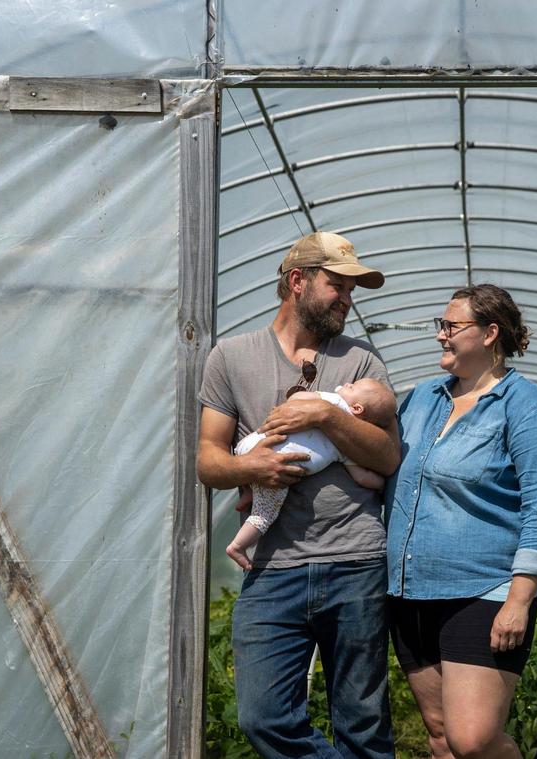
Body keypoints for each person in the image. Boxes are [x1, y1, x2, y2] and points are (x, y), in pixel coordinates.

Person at [197, 231, 399, 759]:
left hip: (355, 562)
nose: (349, 299)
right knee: (263, 718)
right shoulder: (231, 357)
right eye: (339, 285)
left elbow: (387, 458)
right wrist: (252, 465)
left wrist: (326, 414)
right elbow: (209, 461)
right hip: (272, 569)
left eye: (353, 289)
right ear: (298, 281)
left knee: (363, 724)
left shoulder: (362, 363)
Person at [385, 284, 537, 759]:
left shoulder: (528, 409)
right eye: (440, 326)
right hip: (409, 591)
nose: (440, 336)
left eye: (451, 326)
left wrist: (519, 600)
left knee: (472, 739)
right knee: (441, 735)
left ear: (490, 334)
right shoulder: (422, 399)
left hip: (482, 591)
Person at [226, 378, 397, 570]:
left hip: (251, 445)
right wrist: (382, 484)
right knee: (264, 515)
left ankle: (250, 491)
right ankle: (238, 547)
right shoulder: (345, 444)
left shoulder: (334, 402)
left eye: (353, 387)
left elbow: (298, 396)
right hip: (274, 465)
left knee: (260, 482)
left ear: (357, 408)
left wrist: (298, 403)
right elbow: (363, 477)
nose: (348, 383)